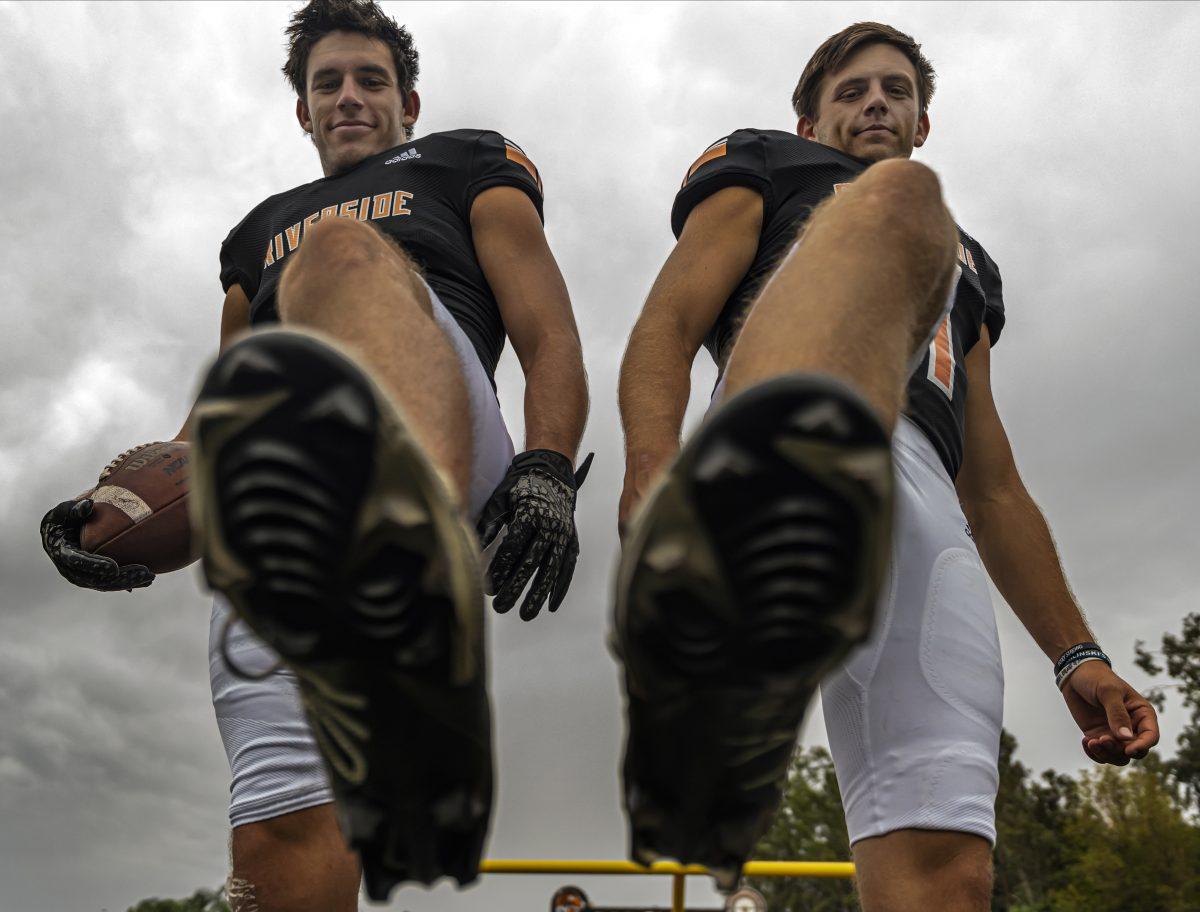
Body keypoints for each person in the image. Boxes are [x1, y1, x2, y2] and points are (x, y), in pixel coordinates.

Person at [40, 0, 589, 908]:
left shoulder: (461, 163)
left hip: (445, 438)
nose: (348, 97)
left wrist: (546, 466)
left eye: (370, 80)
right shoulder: (256, 233)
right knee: (283, 837)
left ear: (407, 100)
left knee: (339, 253)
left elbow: (549, 334)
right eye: (326, 83)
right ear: (302, 109)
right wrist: (111, 509)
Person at [614, 21, 1159, 911]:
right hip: (779, 419)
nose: (877, 103)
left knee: (947, 862)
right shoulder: (770, 167)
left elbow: (993, 486)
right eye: (854, 90)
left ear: (924, 118)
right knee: (905, 202)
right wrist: (650, 472)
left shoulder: (969, 263)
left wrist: (1077, 657)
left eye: (897, 91)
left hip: (923, 496)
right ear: (808, 120)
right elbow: (668, 327)